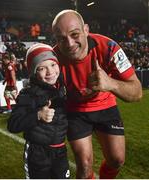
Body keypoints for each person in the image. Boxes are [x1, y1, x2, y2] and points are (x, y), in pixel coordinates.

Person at [50, 9, 143, 179]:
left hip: (105, 106)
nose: (69, 44)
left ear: (86, 30)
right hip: (75, 111)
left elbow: (137, 92)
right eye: (62, 39)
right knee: (84, 166)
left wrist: (110, 83)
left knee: (117, 160)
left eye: (75, 34)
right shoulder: (52, 58)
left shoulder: (109, 47)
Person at [7, 43, 70, 179]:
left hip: (60, 150)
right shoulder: (28, 94)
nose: (50, 71)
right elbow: (13, 124)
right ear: (34, 72)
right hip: (38, 153)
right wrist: (38, 115)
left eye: (53, 65)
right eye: (42, 68)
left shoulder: (63, 87)